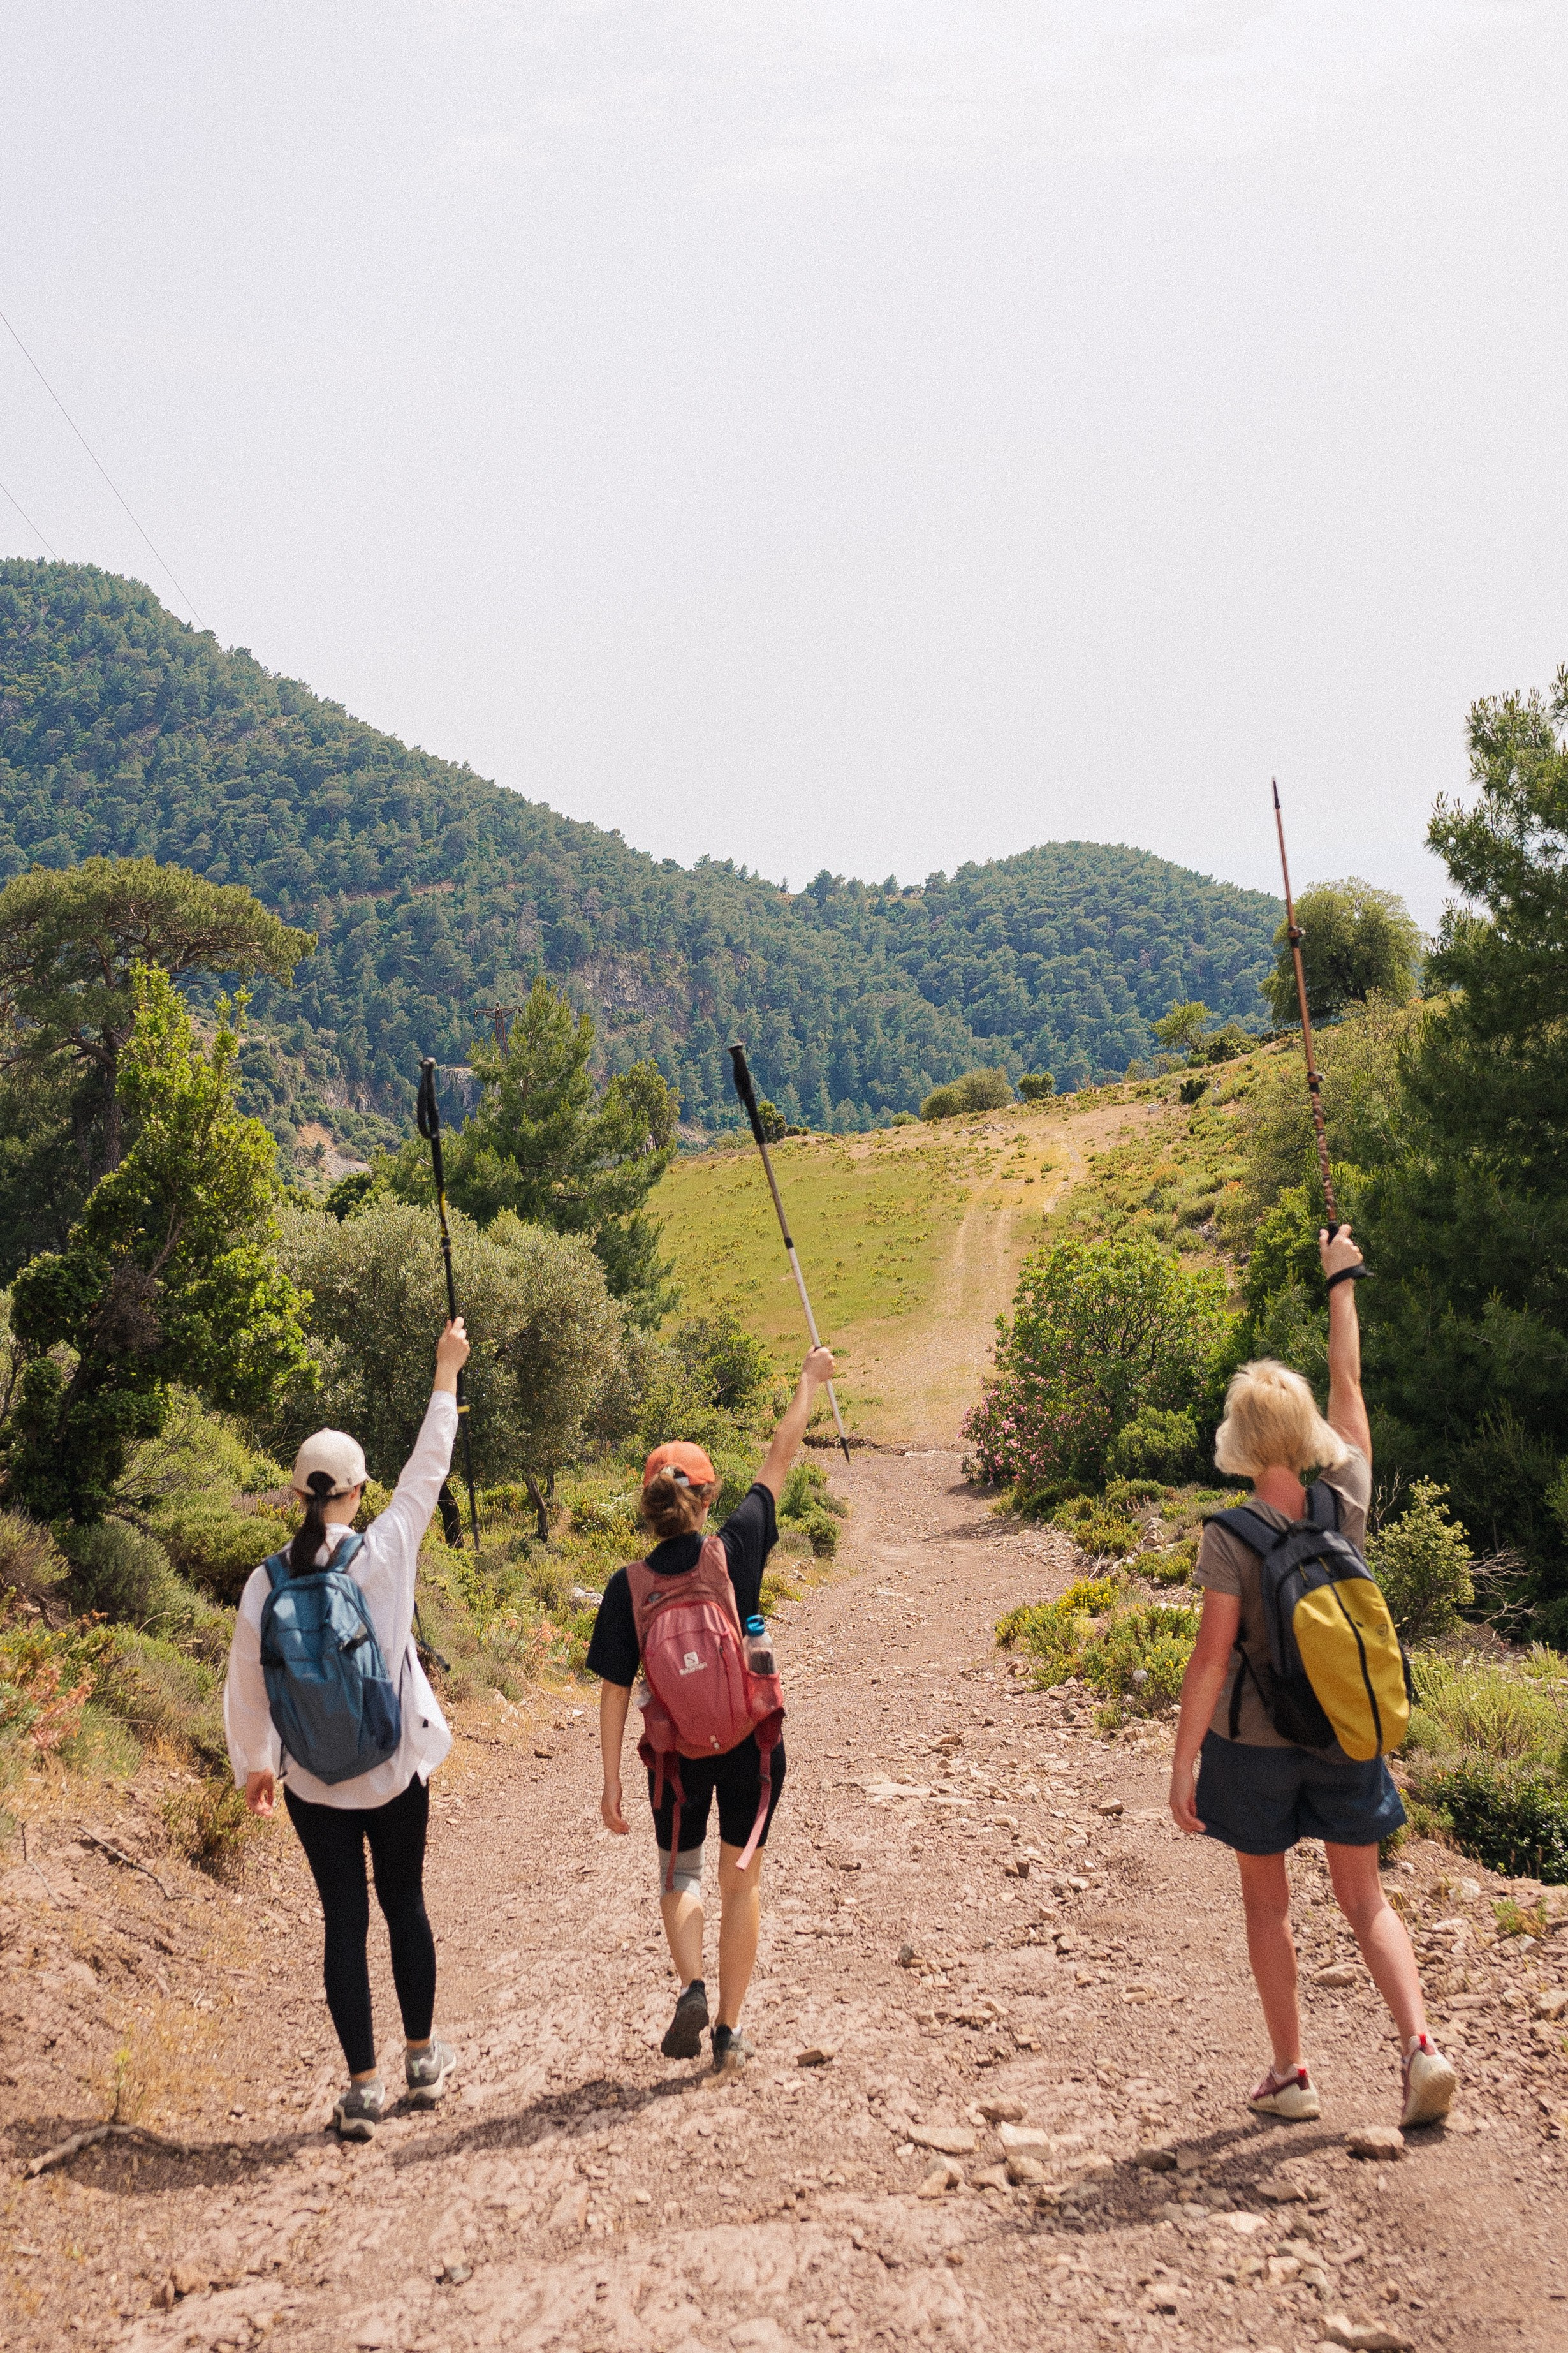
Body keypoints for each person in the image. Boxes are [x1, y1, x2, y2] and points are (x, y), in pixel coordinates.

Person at [1169, 1225, 1458, 2132]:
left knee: (1268, 1904)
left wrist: (1181, 1765)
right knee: (1363, 1896)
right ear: (1303, 1432)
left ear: (1237, 1439)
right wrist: (1342, 1281)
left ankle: (1290, 2072)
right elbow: (1350, 1388)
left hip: (1253, 1750)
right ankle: (1419, 2048)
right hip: (1344, 1728)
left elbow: (1210, 1659)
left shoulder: (1229, 1535)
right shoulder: (1349, 1499)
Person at [224, 1317, 470, 2139]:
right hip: (393, 1767)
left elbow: (248, 1684)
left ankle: (362, 2085)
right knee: (405, 1903)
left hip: (311, 1783)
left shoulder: (265, 1583)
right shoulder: (383, 1552)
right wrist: (446, 1369)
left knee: (343, 1921)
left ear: (297, 1494)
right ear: (357, 1491)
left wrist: (257, 1766)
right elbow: (428, 1469)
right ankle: (423, 2059)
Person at [590, 1345, 837, 2075]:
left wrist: (609, 1780)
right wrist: (808, 1379)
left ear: (648, 1501)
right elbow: (782, 1453)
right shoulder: (734, 1550)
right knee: (741, 1879)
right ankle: (728, 2030)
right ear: (705, 1496)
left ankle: (691, 1984)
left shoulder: (626, 1586)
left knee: (681, 1875)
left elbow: (610, 1690)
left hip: (674, 1756)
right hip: (749, 1741)